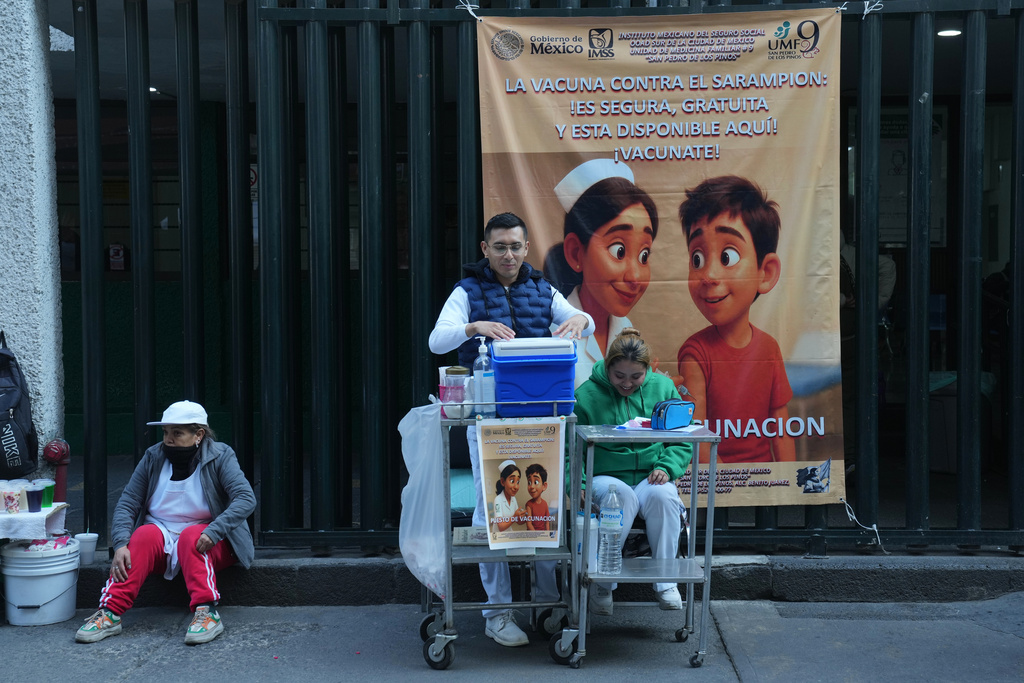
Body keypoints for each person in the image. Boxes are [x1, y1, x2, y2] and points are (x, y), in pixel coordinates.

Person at [428, 211, 593, 647]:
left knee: (543, 508)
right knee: (495, 513)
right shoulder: (467, 291)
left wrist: (581, 321)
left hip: (540, 421)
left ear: (526, 248)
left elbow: (582, 321)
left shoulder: (542, 288)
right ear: (485, 249)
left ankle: (547, 603)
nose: (508, 254)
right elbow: (437, 339)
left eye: (516, 246)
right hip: (488, 423)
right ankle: (497, 613)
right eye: (499, 246)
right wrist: (473, 326)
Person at [75, 400, 256, 645]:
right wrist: (120, 545)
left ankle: (206, 612)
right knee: (142, 536)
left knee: (191, 537)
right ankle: (110, 613)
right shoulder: (153, 456)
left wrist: (215, 531)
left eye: (177, 433)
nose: (168, 439)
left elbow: (245, 499)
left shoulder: (221, 456)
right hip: (162, 539)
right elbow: (128, 502)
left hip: (211, 539)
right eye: (165, 432)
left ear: (199, 435)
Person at [675, 175, 795, 464]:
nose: (709, 275)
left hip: (765, 483)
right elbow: (697, 435)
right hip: (718, 491)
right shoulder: (695, 354)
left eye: (727, 256)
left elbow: (780, 424)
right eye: (698, 259)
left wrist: (791, 483)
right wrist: (715, 490)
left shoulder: (769, 348)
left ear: (765, 273)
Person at [574, 328, 693, 614]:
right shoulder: (586, 395)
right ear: (607, 368)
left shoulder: (663, 389)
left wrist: (666, 466)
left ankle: (666, 581)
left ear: (648, 370)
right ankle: (605, 583)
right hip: (604, 475)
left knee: (665, 497)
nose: (627, 384)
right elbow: (570, 449)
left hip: (650, 473)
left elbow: (682, 438)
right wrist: (574, 483)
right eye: (619, 376)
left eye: (636, 377)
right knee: (621, 497)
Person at [544, 158, 659, 388]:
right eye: (619, 250)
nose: (635, 277)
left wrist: (652, 388)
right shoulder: (552, 332)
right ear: (576, 252)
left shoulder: (624, 326)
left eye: (644, 255)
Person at [492, 460, 525, 533]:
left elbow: (518, 522)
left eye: (518, 482)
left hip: (509, 532)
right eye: (512, 481)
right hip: (498, 535)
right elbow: (500, 527)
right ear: (503, 482)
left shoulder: (513, 498)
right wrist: (515, 517)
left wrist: (526, 518)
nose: (516, 487)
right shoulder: (498, 500)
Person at [524, 463, 550, 531]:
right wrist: (536, 536)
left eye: (536, 482)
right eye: (529, 482)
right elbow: (529, 524)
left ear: (544, 486)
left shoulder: (545, 504)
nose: (532, 486)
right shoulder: (529, 505)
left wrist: (547, 535)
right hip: (532, 537)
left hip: (542, 536)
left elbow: (547, 522)